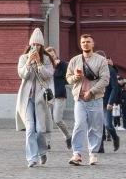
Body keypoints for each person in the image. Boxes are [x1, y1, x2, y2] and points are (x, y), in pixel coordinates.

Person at [65, 34, 110, 166]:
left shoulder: (101, 60)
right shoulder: (74, 60)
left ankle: (93, 154)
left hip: (95, 98)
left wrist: (91, 91)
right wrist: (75, 78)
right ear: (80, 44)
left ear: (93, 43)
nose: (85, 44)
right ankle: (77, 153)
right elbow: (68, 77)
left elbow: (105, 79)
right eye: (83, 42)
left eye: (88, 42)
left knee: (94, 127)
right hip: (79, 99)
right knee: (79, 125)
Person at [15, 29, 55, 168]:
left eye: (38, 45)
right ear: (29, 44)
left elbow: (47, 76)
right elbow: (23, 75)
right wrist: (29, 62)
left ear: (41, 46)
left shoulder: (47, 59)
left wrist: (39, 63)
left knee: (39, 129)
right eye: (33, 44)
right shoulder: (23, 58)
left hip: (40, 98)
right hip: (26, 99)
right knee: (30, 128)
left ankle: (42, 151)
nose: (35, 47)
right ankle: (32, 158)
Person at [44, 47, 73, 149]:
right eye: (49, 56)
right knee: (47, 120)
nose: (51, 58)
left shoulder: (63, 65)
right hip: (48, 96)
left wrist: (58, 65)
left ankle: (68, 136)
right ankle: (47, 143)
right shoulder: (45, 66)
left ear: (55, 55)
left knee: (57, 119)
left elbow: (68, 75)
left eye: (53, 55)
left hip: (59, 95)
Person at [99, 53, 120, 152]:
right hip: (96, 100)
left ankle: (115, 137)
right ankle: (100, 147)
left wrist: (111, 102)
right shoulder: (94, 69)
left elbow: (114, 87)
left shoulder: (110, 70)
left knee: (107, 124)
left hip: (106, 100)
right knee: (99, 125)